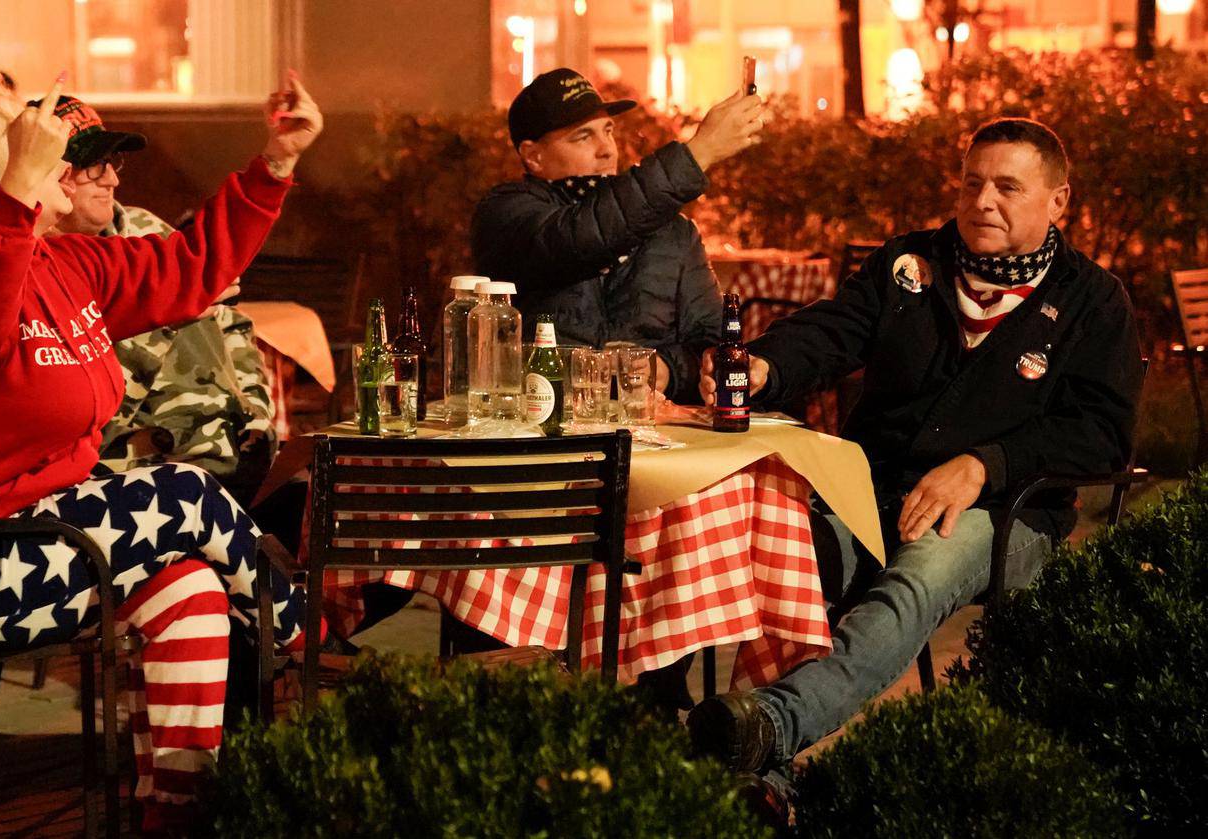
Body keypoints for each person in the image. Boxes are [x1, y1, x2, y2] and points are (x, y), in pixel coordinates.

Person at [0, 68, 322, 832]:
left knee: (192, 596)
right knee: (181, 491)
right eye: (29, 143)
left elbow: (192, 269)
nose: (55, 154)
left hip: (37, 539)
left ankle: (175, 815)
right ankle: (309, 639)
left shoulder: (60, 263)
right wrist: (16, 195)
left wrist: (273, 164)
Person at [688, 119, 1144, 788]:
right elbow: (831, 330)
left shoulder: (1092, 300)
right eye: (971, 182)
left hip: (1008, 512)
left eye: (1007, 187)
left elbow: (1103, 431)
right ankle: (763, 779)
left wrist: (984, 462)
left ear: (1057, 201)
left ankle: (773, 723)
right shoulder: (909, 264)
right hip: (871, 492)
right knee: (788, 556)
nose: (982, 200)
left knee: (919, 573)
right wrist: (762, 366)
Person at [471, 67, 763, 404]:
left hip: (655, 436)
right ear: (533, 156)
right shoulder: (506, 214)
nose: (606, 149)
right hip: (545, 432)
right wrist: (699, 153)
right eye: (583, 136)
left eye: (607, 131)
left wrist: (667, 370)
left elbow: (710, 344)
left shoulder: (673, 231)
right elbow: (582, 235)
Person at [39, 94, 278, 505]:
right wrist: (173, 307)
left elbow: (232, 324)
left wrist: (255, 411)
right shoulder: (41, 270)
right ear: (51, 173)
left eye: (114, 163)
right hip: (144, 473)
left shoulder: (147, 229)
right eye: (94, 166)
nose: (112, 180)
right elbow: (81, 409)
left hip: (235, 453)